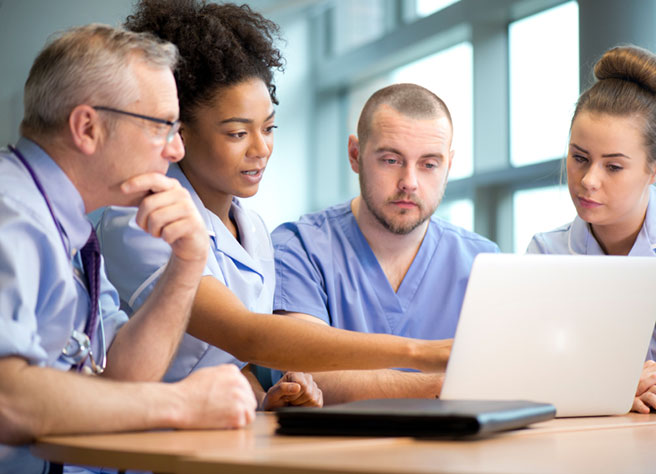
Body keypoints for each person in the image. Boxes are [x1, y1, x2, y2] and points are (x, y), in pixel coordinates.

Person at [96, 0, 450, 410]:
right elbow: (245, 334)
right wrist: (422, 354)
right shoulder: (140, 218)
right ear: (180, 133)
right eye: (236, 133)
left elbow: (229, 363)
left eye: (268, 128)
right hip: (135, 446)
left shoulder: (254, 230)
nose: (261, 149)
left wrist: (268, 399)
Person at [0, 24, 258, 473]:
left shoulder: (71, 229)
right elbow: (7, 401)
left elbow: (121, 378)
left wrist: (188, 262)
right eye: (163, 126)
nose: (176, 149)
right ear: (87, 127)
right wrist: (180, 403)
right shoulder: (11, 216)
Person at [271, 83, 500, 402]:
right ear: (355, 155)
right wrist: (443, 387)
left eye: (429, 164)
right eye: (391, 160)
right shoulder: (298, 248)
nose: (410, 182)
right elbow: (304, 374)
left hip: (454, 448)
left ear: (448, 165)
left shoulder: (485, 262)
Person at [526, 45, 656, 415]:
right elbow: (532, 379)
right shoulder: (545, 255)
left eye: (613, 167)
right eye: (579, 158)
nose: (588, 181)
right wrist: (614, 392)